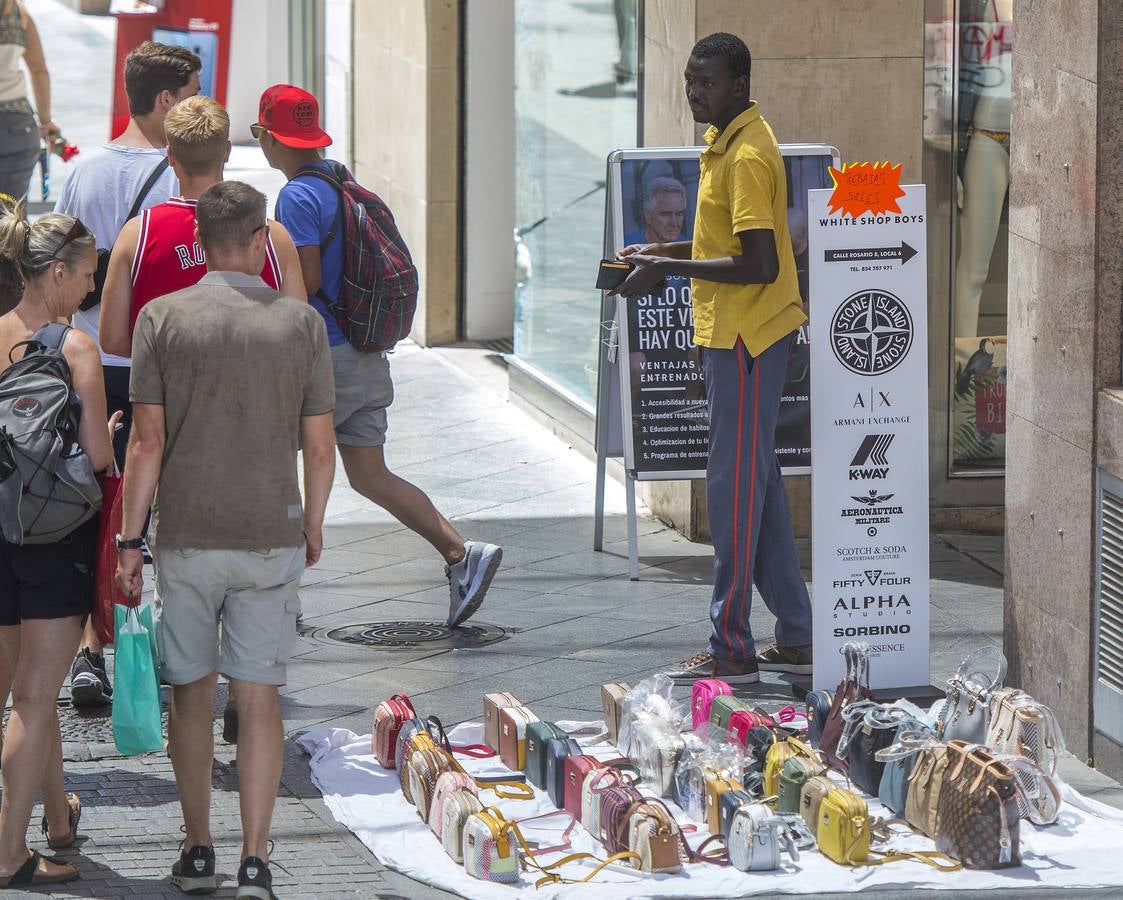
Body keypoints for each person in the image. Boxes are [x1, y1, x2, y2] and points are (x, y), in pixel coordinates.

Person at [115, 181, 336, 898]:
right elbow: (321, 447)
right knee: (260, 696)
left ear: (200, 241)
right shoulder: (300, 324)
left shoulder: (161, 318)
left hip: (187, 534)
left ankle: (198, 849)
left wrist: (128, 541)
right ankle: (255, 858)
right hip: (269, 530)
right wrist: (312, 520)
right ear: (261, 238)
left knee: (191, 694)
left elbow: (146, 444)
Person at [254, 84, 502, 627]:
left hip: (326, 359)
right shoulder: (339, 179)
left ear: (270, 138)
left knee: (273, 466)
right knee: (370, 475)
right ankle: (461, 553)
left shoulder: (295, 197)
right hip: (365, 352)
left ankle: (280, 597)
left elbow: (307, 281)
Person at [614, 33, 813, 684]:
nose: (694, 92)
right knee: (761, 489)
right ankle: (799, 634)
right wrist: (660, 254)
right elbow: (721, 244)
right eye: (689, 80)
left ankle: (731, 646)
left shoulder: (747, 154)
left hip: (746, 341)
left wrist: (668, 272)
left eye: (707, 82)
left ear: (739, 85)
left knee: (733, 494)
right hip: (734, 337)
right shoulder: (726, 142)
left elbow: (759, 263)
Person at [54, 39, 200, 708]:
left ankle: (90, 649)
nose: (200, 105)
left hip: (89, 362)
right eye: (193, 93)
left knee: (95, 504)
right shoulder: (180, 176)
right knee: (161, 505)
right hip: (159, 364)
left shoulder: (82, 170)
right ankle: (165, 639)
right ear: (165, 100)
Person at [0, 202, 115, 888]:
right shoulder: (75, 349)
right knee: (36, 699)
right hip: (54, 539)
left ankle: (57, 817)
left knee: (20, 694)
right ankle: (9, 856)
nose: (92, 286)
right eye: (88, 274)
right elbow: (97, 456)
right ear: (59, 272)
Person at [99, 95, 305, 358]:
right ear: (227, 152)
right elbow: (299, 331)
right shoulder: (273, 236)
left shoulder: (137, 234)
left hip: (169, 381)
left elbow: (113, 340)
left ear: (170, 155)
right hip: (255, 380)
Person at [0, 0, 56, 200]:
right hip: (16, 127)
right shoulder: (18, 14)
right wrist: (46, 121)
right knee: (10, 211)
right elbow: (39, 71)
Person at [623, 176, 688, 247]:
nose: (674, 223)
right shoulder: (626, 247)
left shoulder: (688, 248)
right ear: (648, 216)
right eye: (666, 214)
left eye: (679, 214)